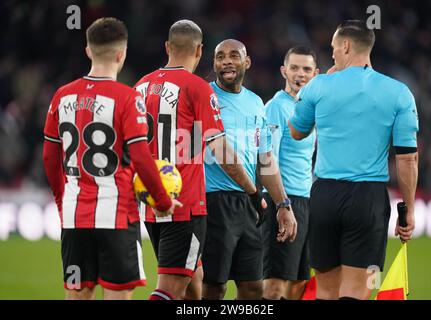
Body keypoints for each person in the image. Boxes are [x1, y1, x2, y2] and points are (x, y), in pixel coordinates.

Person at [42, 17, 179, 300]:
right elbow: (142, 158)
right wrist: (163, 202)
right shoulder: (128, 99)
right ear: (121, 53)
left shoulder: (61, 96)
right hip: (116, 215)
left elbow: (49, 158)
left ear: (88, 51)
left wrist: (62, 203)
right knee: (117, 294)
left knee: (78, 293)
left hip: (74, 216)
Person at [134, 20, 266, 300]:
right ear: (200, 50)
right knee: (171, 289)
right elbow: (220, 149)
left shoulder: (141, 86)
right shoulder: (197, 88)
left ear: (168, 47)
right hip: (186, 205)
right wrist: (253, 191)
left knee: (194, 287)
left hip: (151, 202)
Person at [288, 20, 419, 300]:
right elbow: (408, 158)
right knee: (359, 291)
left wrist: (318, 87)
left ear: (346, 46)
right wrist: (407, 210)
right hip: (367, 199)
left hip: (324, 195)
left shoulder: (318, 86)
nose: (332, 54)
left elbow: (297, 132)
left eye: (334, 48)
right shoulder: (399, 92)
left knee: (324, 290)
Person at [202, 39, 298, 300]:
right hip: (214, 202)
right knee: (214, 287)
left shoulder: (256, 103)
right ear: (214, 64)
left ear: (247, 62)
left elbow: (265, 160)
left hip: (248, 204)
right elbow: (218, 150)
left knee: (253, 287)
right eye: (220, 57)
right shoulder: (204, 96)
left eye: (234, 56)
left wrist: (283, 205)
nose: (227, 61)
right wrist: (255, 192)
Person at [262, 46, 319, 300]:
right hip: (283, 202)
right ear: (284, 71)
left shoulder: (310, 109)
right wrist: (281, 204)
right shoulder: (276, 107)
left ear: (315, 73)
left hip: (305, 201)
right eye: (294, 68)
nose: (300, 74)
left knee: (298, 284)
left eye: (306, 69)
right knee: (275, 286)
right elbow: (266, 158)